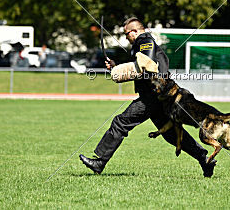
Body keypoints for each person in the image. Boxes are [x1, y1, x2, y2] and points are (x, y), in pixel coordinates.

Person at [79, 17, 216, 177]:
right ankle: (204, 158)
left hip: (151, 96)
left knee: (121, 122)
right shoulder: (145, 43)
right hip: (161, 95)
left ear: (134, 31)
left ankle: (99, 161)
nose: (126, 37)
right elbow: (139, 67)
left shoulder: (144, 40)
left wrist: (120, 72)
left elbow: (146, 63)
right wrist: (117, 67)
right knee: (170, 134)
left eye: (126, 34)